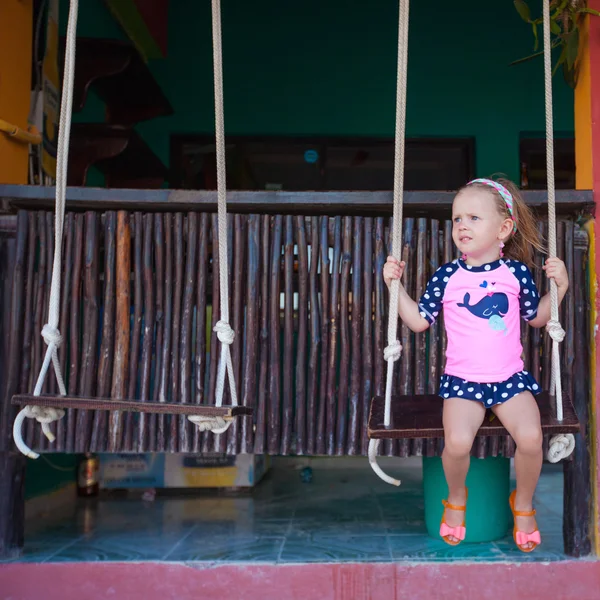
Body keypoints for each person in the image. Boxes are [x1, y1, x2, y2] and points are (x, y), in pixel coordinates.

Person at [383, 177, 569, 552]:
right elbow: (419, 321)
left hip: (509, 380)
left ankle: (524, 503)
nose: (462, 226)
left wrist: (559, 288)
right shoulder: (448, 276)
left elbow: (536, 317)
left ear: (503, 228)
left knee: (532, 439)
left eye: (472, 218)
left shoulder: (515, 274)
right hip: (464, 381)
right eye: (456, 219)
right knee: (457, 442)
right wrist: (395, 288)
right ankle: (456, 497)